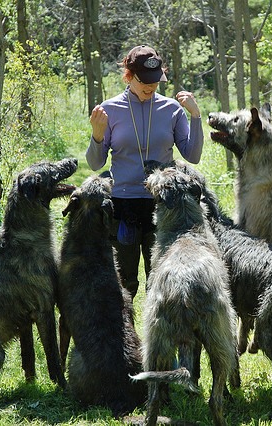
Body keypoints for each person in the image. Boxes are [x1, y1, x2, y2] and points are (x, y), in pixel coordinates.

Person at [86, 45, 204, 299]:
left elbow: (192, 155)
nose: (150, 87)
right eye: (144, 82)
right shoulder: (110, 110)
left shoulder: (172, 110)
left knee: (162, 279)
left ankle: (158, 336)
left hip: (163, 205)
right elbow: (95, 164)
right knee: (124, 283)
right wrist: (97, 136)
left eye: (155, 81)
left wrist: (195, 116)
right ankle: (124, 336)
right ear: (129, 76)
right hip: (122, 206)